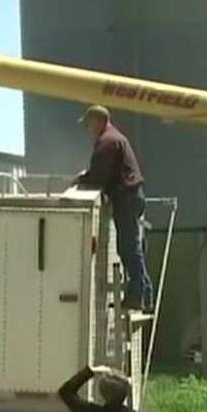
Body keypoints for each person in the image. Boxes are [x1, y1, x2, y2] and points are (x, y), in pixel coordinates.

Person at [73, 105, 153, 311]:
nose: (89, 130)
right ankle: (144, 293)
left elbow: (99, 177)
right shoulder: (116, 138)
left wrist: (81, 180)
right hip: (133, 197)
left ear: (98, 121)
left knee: (128, 248)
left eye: (89, 125)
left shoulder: (106, 143)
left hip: (125, 198)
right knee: (133, 248)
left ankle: (136, 295)